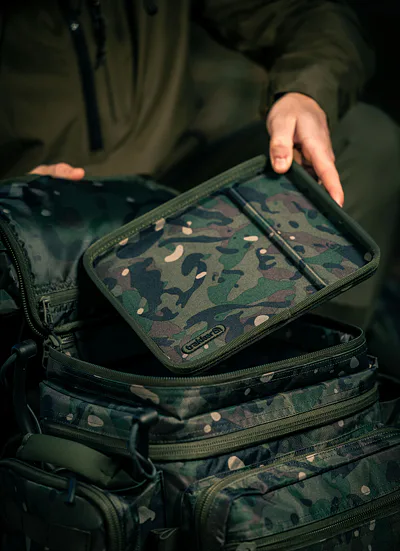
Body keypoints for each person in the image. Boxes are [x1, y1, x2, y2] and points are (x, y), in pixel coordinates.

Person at [0, 0, 399, 329]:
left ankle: (306, 365)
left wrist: (304, 92)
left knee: (363, 138)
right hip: (38, 217)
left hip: (172, 183)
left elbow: (307, 13)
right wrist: (13, 194)